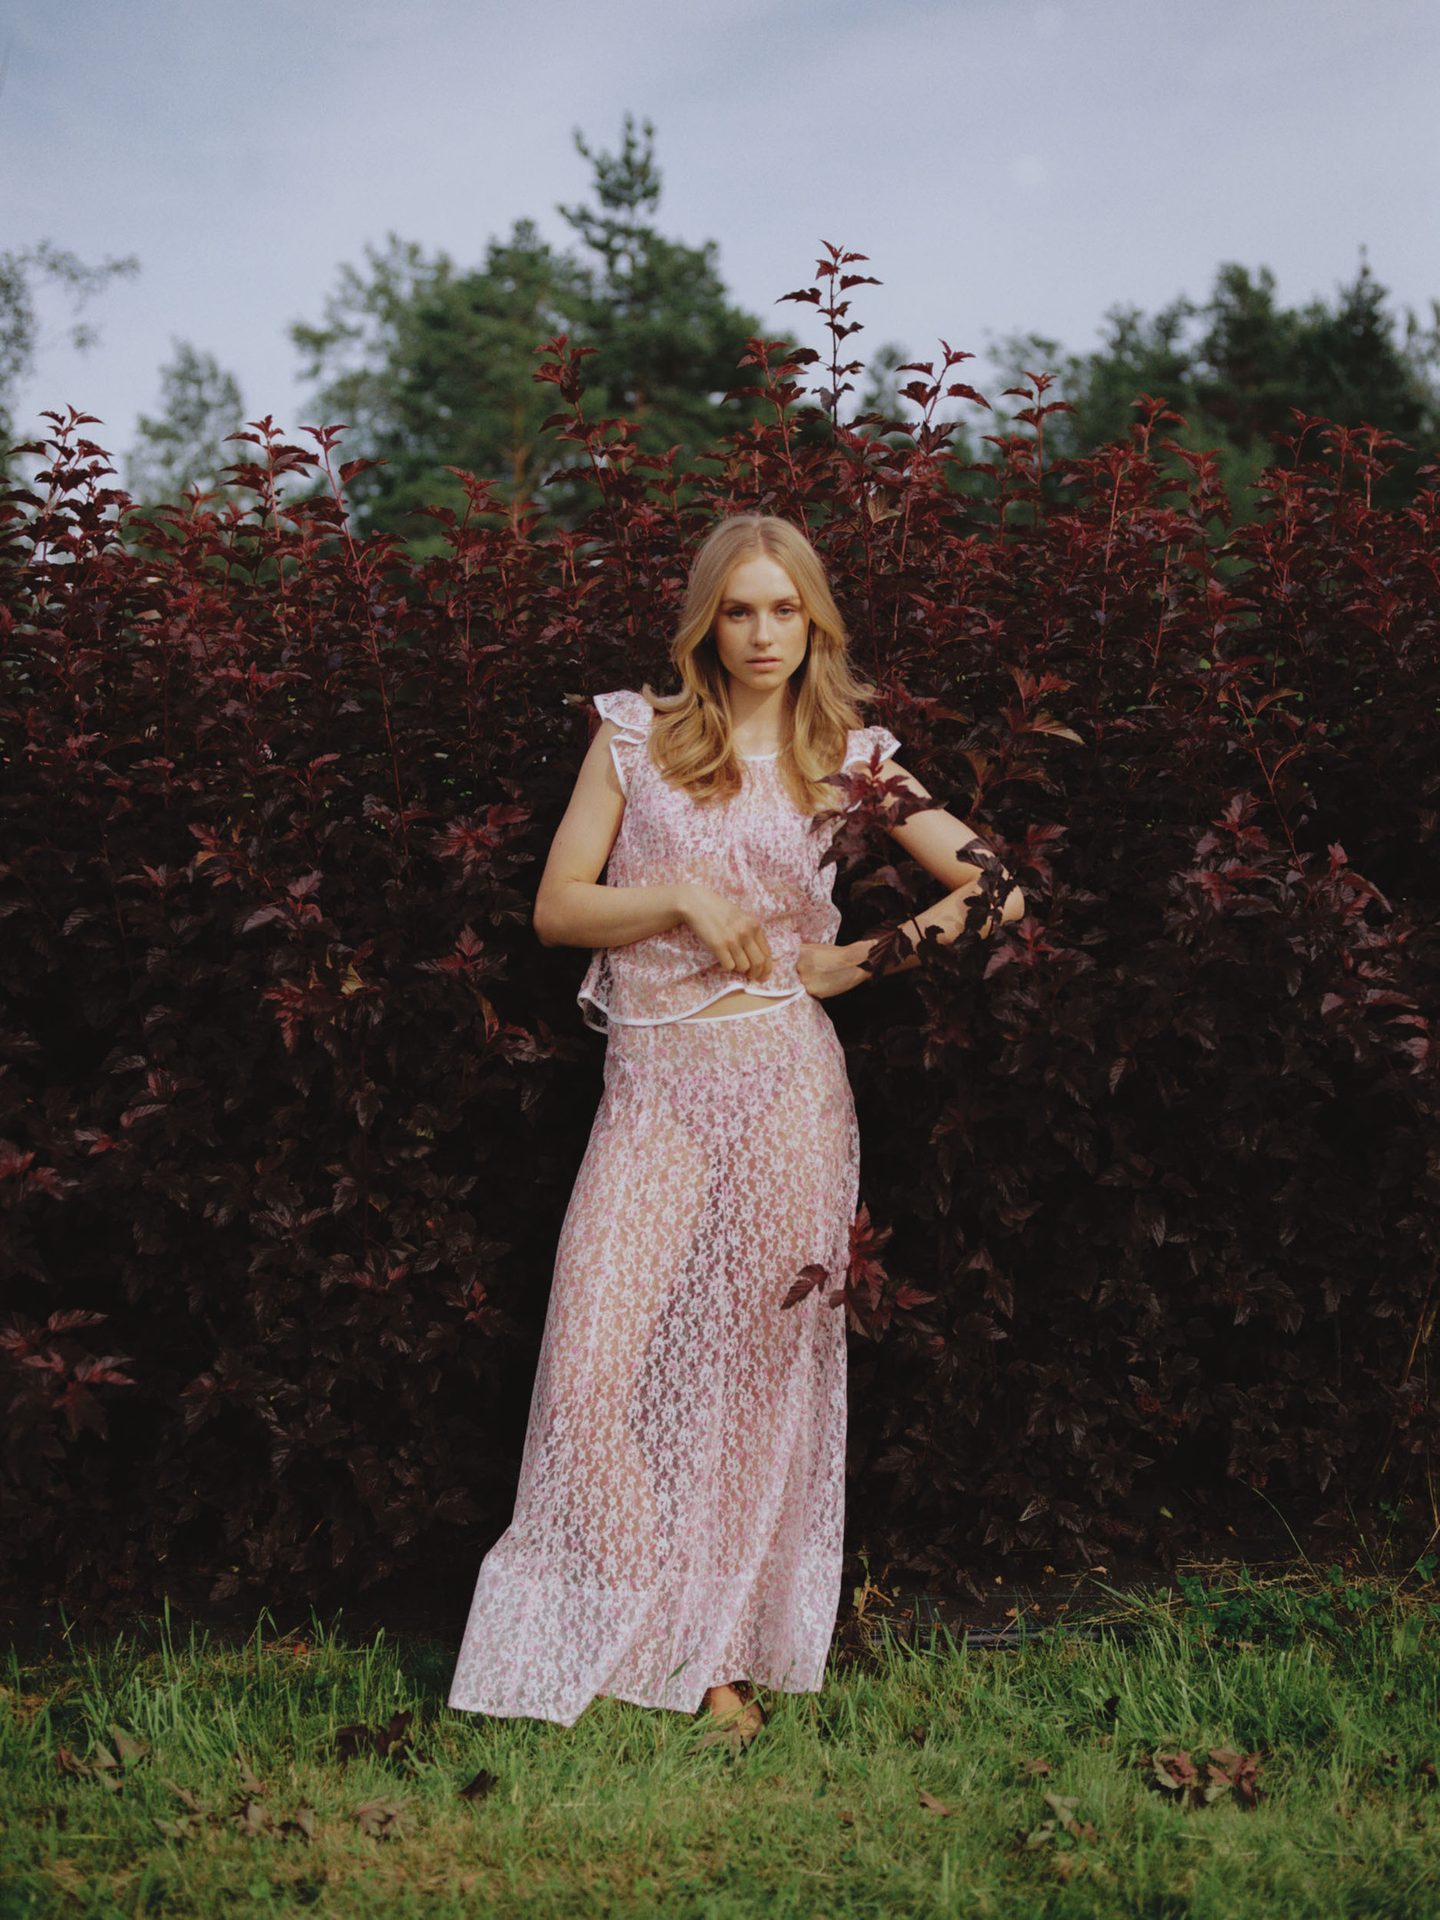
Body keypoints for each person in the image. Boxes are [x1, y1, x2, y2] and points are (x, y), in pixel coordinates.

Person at [446, 512, 1024, 1746]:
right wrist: (680, 900)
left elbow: (1000, 889)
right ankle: (633, 1615)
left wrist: (856, 964)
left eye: (787, 609)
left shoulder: (853, 761)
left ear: (815, 620)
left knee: (757, 1381)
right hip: (654, 1089)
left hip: (784, 1089)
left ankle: (716, 1663)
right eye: (741, 609)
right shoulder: (635, 739)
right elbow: (557, 909)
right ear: (705, 618)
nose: (764, 634)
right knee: (595, 1362)